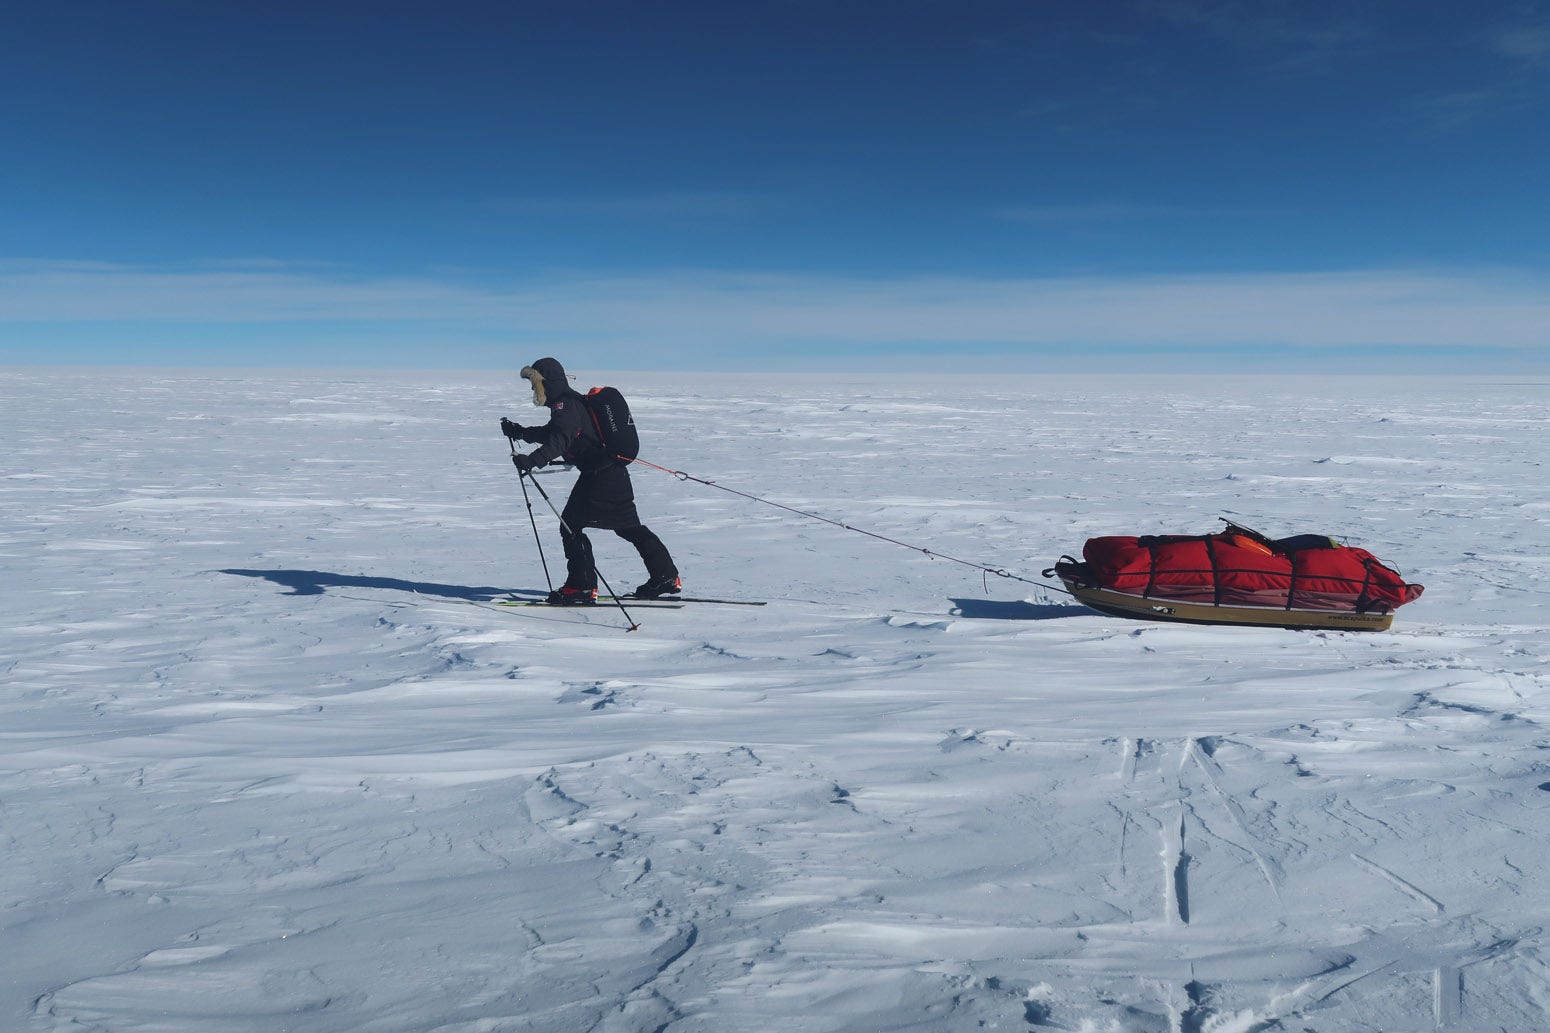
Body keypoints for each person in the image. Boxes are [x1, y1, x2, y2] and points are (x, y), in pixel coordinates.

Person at [502, 357, 680, 605]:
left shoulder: (565, 405)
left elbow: (560, 440)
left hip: (600, 477)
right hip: (612, 474)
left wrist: (532, 461)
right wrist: (521, 432)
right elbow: (556, 433)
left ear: (546, 382)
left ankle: (581, 586)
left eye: (534, 383)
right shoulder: (569, 403)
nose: (532, 389)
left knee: (570, 525)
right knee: (629, 528)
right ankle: (666, 576)